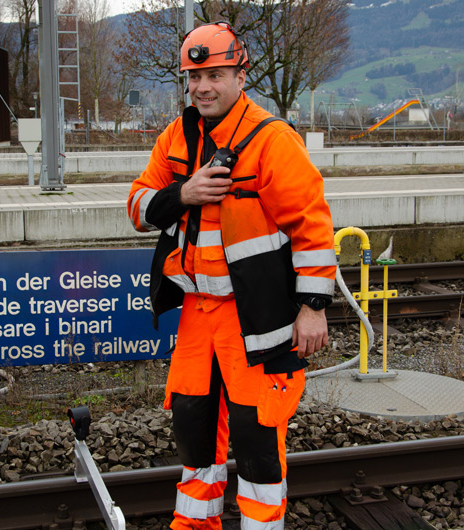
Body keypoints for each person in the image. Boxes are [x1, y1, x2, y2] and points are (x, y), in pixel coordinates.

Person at [127, 22, 336, 530]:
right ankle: (196, 523)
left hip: (257, 318)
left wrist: (312, 308)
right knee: (194, 425)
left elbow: (312, 226)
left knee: (257, 433)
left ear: (241, 75)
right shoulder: (176, 137)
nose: (202, 87)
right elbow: (137, 207)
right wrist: (184, 194)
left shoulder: (271, 140)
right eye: (193, 76)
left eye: (214, 74)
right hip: (199, 315)